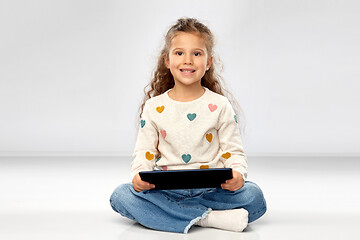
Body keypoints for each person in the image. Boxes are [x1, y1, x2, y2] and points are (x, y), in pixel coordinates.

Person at [110, 17, 266, 234]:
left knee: (254, 197)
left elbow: (233, 151)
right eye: (179, 53)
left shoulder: (220, 105)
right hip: (168, 191)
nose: (188, 60)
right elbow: (144, 152)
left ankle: (176, 215)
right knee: (121, 196)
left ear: (208, 62)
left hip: (213, 189)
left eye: (197, 53)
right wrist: (139, 176)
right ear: (167, 60)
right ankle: (208, 218)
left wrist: (238, 175)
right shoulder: (154, 107)